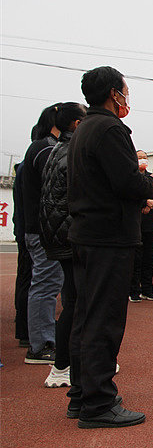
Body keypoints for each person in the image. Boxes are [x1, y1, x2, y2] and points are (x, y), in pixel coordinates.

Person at [67, 66, 153, 428]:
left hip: (88, 234)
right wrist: (151, 184)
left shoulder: (84, 129)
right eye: (125, 90)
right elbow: (127, 182)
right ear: (113, 92)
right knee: (103, 320)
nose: (127, 97)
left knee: (85, 317)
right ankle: (98, 403)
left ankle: (81, 395)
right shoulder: (109, 129)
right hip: (107, 238)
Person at [39, 102, 87, 388]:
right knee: (76, 303)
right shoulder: (72, 152)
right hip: (70, 237)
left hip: (60, 235)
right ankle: (64, 364)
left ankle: (68, 363)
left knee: (73, 300)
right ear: (77, 125)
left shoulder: (57, 149)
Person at [22, 104, 64, 364]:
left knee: (47, 286)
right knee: (45, 286)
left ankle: (43, 340)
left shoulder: (42, 146)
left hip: (41, 229)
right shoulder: (46, 149)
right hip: (43, 230)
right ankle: (40, 346)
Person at [129, 150, 153, 302]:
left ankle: (147, 290)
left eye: (145, 158)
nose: (143, 160)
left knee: (149, 258)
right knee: (135, 259)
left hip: (151, 224)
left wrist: (151, 203)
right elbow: (131, 195)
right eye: (139, 158)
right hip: (135, 224)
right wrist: (144, 202)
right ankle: (133, 291)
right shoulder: (132, 178)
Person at [12, 160, 32, 349]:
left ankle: (24, 325)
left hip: (24, 229)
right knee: (33, 282)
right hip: (31, 232)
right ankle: (26, 330)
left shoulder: (25, 166)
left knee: (27, 279)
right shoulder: (33, 163)